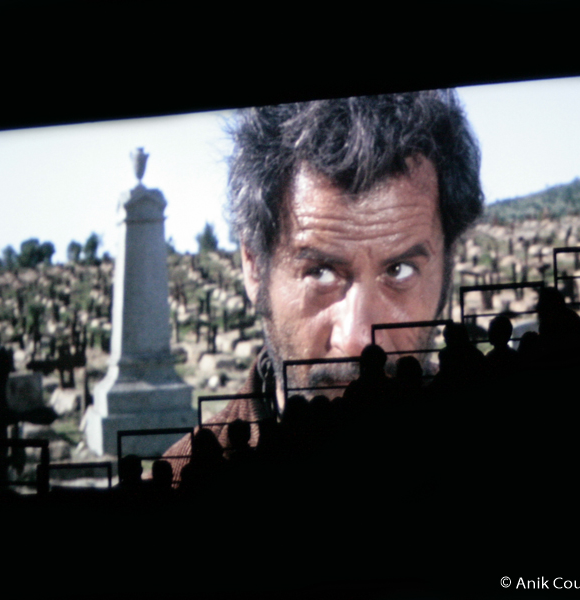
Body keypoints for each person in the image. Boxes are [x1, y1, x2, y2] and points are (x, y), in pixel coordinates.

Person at [165, 90, 484, 471]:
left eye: (399, 271)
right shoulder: (183, 482)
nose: (358, 339)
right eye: (321, 272)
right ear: (253, 266)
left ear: (448, 266)